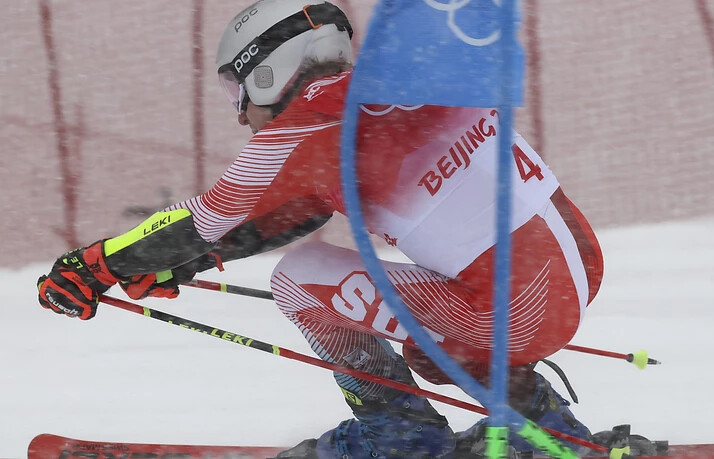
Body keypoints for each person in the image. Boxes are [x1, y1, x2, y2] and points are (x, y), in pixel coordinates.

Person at [36, 1, 609, 457]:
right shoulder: (391, 82)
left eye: (236, 92)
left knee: (298, 279)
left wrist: (92, 266)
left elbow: (202, 219)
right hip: (578, 272)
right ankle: (548, 428)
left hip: (511, 311)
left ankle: (399, 437)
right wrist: (194, 260)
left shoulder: (301, 124)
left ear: (267, 71)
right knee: (437, 346)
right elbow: (301, 211)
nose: (239, 114)